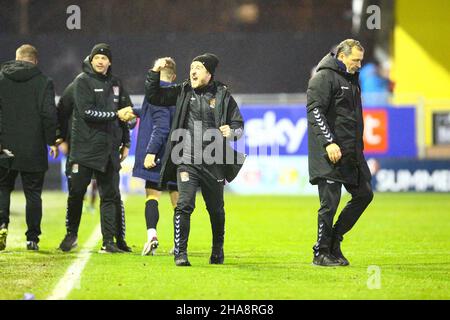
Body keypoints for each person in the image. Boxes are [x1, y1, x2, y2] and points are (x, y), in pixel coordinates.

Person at [139, 53, 245, 266]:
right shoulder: (183, 91)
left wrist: (231, 132)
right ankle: (180, 252)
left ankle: (217, 250)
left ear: (209, 73)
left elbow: (239, 126)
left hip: (214, 161)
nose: (193, 71)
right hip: (186, 159)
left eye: (198, 67)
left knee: (216, 209)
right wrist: (154, 71)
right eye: (191, 67)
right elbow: (154, 96)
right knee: (184, 205)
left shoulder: (223, 95)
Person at [59, 43, 134, 253]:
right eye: (97, 58)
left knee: (110, 196)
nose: (100, 61)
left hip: (109, 150)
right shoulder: (82, 81)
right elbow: (86, 113)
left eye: (104, 58)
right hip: (84, 150)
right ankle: (71, 234)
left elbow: (126, 113)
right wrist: (59, 138)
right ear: (91, 61)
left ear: (109, 62)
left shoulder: (117, 83)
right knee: (76, 193)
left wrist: (126, 141)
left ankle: (109, 242)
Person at [306, 39, 374, 267]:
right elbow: (315, 112)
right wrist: (328, 142)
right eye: (356, 60)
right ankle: (320, 252)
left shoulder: (351, 79)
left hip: (352, 152)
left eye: (361, 60)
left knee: (364, 194)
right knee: (330, 204)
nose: (359, 65)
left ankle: (334, 240)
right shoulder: (324, 77)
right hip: (330, 153)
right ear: (342, 57)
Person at [0, 44, 59, 251]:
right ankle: (32, 238)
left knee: (2, 188)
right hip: (33, 147)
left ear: (17, 58)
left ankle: (1, 225)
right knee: (33, 194)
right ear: (35, 61)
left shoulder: (1, 78)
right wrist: (52, 141)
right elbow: (48, 114)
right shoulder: (44, 82)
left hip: (4, 147)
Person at [127, 57, 179, 256]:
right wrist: (135, 111)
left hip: (156, 153)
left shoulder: (155, 93)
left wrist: (150, 152)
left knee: (152, 195)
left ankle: (151, 236)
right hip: (176, 153)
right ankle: (178, 243)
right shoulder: (178, 93)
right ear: (173, 76)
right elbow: (161, 114)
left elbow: (161, 125)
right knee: (177, 200)